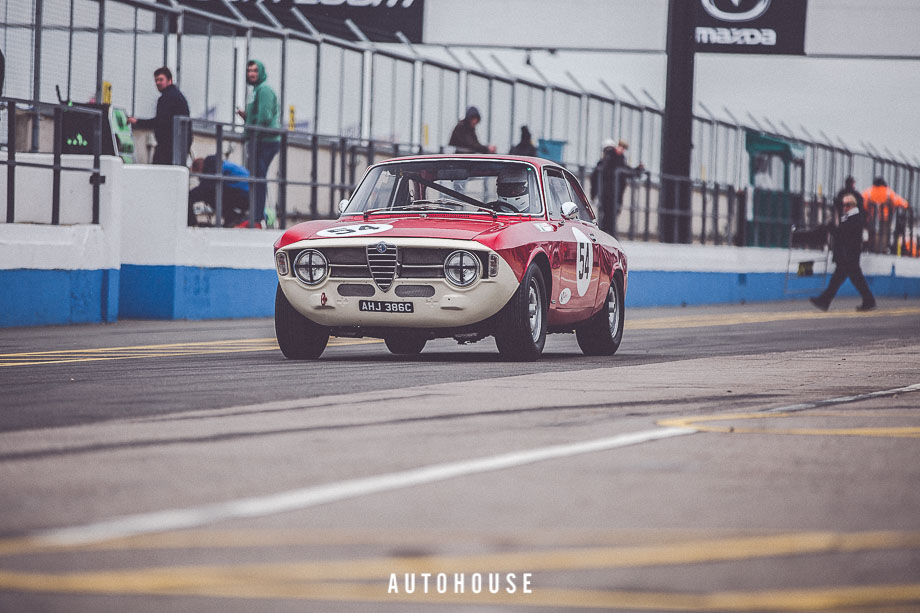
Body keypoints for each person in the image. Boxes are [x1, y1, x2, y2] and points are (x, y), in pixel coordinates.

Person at [809, 194, 876, 312]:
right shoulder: (849, 217)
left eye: (847, 205)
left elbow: (843, 235)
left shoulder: (855, 218)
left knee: (848, 280)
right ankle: (825, 301)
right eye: (843, 205)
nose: (845, 207)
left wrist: (831, 228)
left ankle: (825, 301)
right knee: (846, 279)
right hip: (847, 255)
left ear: (853, 205)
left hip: (849, 255)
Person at [237, 60, 280, 225]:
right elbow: (258, 116)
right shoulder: (256, 90)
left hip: (265, 140)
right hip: (258, 139)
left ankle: (258, 217)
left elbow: (265, 116)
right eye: (249, 71)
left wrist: (253, 128)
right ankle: (256, 215)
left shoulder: (264, 90)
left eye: (255, 70)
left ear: (260, 72)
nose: (251, 74)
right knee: (255, 177)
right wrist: (247, 117)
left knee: (258, 178)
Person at [128, 67, 191, 165]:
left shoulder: (166, 98)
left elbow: (160, 121)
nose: (158, 83)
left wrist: (138, 122)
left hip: (168, 146)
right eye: (156, 80)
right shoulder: (178, 96)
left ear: (169, 80)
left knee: (158, 173)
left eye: (161, 79)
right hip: (179, 145)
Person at [590, 138, 643, 234]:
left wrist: (637, 170)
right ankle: (607, 234)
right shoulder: (610, 161)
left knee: (610, 214)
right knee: (609, 214)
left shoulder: (616, 160)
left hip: (614, 193)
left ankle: (607, 233)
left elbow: (626, 171)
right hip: (609, 193)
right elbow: (596, 178)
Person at [188, 156, 250, 227]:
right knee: (209, 191)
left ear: (200, 170)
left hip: (245, 195)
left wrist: (189, 196)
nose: (199, 179)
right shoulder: (217, 164)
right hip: (248, 194)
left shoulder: (212, 167)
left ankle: (232, 218)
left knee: (209, 194)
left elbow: (206, 187)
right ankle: (233, 218)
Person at [862, 177, 909, 253]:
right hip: (885, 218)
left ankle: (872, 248)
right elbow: (901, 202)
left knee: (872, 233)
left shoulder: (868, 192)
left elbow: (862, 203)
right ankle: (882, 249)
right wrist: (906, 205)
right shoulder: (888, 192)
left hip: (871, 217)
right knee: (884, 234)